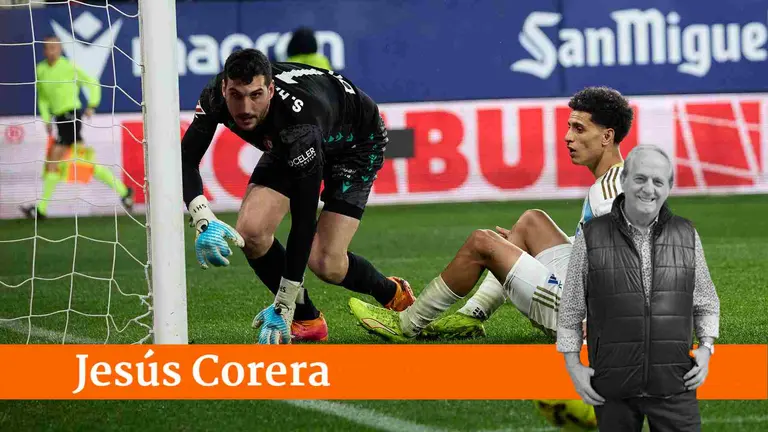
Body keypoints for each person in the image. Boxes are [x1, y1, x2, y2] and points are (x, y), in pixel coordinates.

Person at [347, 86, 633, 342]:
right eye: (569, 126)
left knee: (482, 242)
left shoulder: (610, 189)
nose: (568, 137)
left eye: (579, 129)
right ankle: (471, 316)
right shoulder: (620, 179)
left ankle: (406, 324)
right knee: (532, 221)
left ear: (607, 136)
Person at [181, 48, 414, 344]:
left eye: (256, 95)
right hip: (292, 140)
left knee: (325, 263)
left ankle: (392, 293)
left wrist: (284, 301)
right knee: (251, 232)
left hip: (355, 143)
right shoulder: (215, 95)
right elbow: (186, 159)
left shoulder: (298, 124)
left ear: (271, 89)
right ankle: (308, 319)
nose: (245, 108)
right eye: (236, 95)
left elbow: (303, 221)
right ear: (224, 87)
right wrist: (202, 216)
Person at [557, 145, 720, 431]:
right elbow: (571, 308)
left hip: (675, 386)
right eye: (640, 179)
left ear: (668, 188)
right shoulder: (592, 235)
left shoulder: (686, 234)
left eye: (658, 182)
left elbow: (706, 301)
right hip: (611, 390)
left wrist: (707, 347)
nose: (649, 189)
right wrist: (573, 366)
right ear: (624, 181)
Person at [21, 35, 134, 219]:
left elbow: (92, 82)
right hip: (59, 118)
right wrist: (46, 119)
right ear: (44, 50)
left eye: (55, 47)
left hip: (72, 115)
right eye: (48, 48)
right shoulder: (40, 70)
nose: (52, 51)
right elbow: (41, 97)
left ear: (61, 49)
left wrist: (92, 104)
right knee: (81, 163)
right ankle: (124, 191)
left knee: (54, 159)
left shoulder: (69, 67)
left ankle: (41, 209)